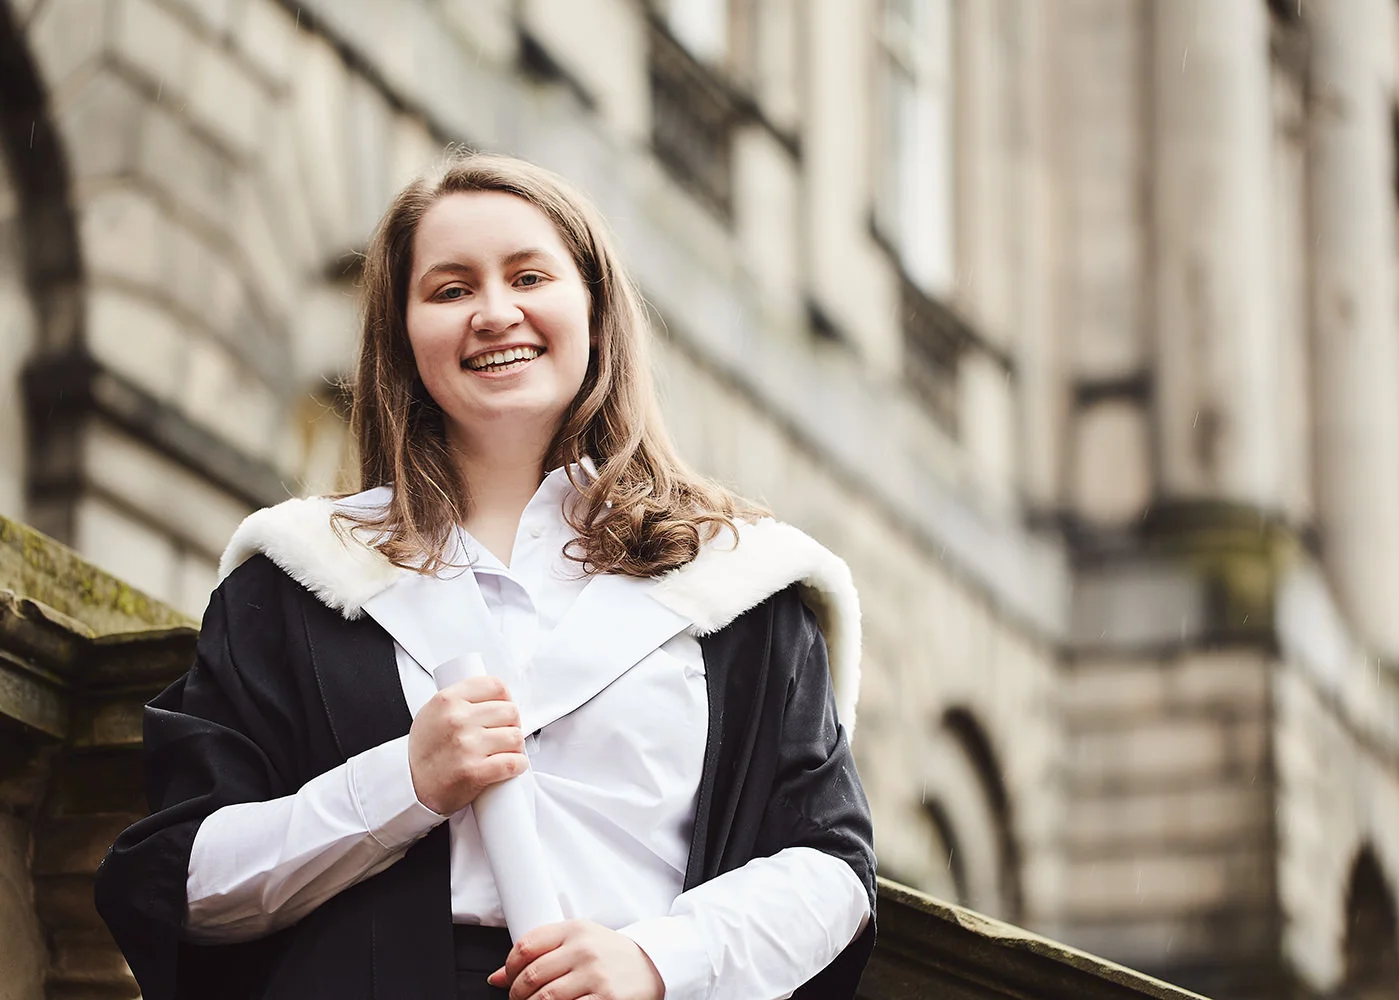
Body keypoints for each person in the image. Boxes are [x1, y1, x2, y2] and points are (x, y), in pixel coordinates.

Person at [94, 152, 876, 1000]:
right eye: (450, 289)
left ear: (595, 310)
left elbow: (830, 870)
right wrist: (403, 783)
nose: (495, 314)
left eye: (529, 276)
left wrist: (659, 960)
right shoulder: (302, 578)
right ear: (402, 333)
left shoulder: (733, 582)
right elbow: (185, 880)